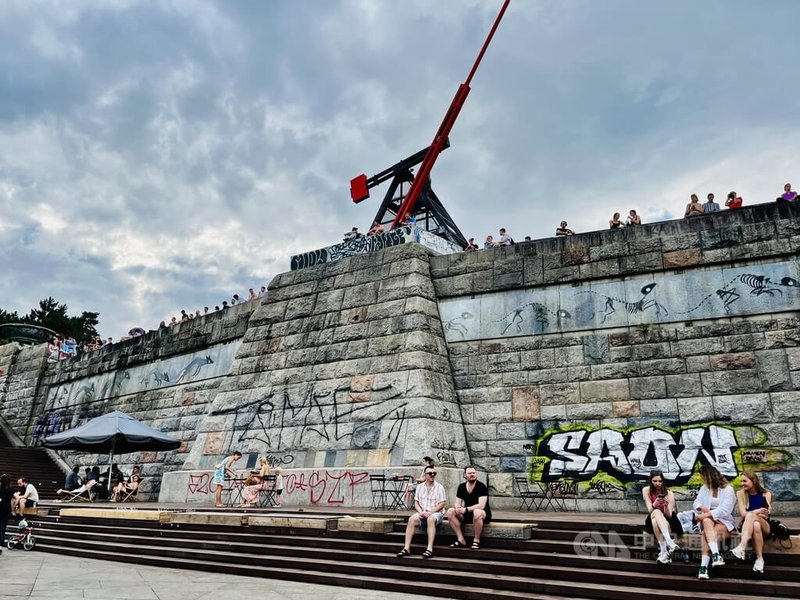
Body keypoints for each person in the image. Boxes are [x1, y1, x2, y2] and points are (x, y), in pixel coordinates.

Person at [693, 464, 736, 580]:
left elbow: (725, 510)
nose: (702, 480)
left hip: (724, 522)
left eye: (703, 477)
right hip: (709, 521)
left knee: (705, 534)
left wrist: (706, 514)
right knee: (707, 521)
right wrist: (703, 508)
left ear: (710, 477)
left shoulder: (728, 490)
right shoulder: (705, 488)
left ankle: (703, 568)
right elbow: (696, 502)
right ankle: (716, 555)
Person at [396, 465, 446, 559]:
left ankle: (429, 549)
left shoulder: (439, 487)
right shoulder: (419, 487)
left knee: (430, 519)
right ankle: (406, 548)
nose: (432, 475)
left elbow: (442, 504)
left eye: (434, 473)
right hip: (422, 512)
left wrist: (430, 512)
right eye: (430, 473)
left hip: (436, 513)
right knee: (411, 519)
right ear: (425, 475)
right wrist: (421, 512)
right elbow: (416, 503)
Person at [731, 471, 772, 573]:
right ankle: (759, 559)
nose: (742, 484)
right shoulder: (740, 493)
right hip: (749, 526)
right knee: (755, 524)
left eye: (745, 481)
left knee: (752, 517)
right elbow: (743, 514)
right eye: (741, 481)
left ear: (753, 481)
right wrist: (757, 511)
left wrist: (753, 513)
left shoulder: (766, 494)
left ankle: (742, 546)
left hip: (765, 526)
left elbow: (766, 514)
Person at [446, 465, 492, 549]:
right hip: (467, 514)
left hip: (482, 514)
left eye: (474, 473)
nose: (472, 475)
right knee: (450, 511)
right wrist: (458, 508)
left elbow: (481, 506)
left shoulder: (481, 486)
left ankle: (476, 540)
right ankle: (461, 539)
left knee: (477, 512)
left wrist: (466, 509)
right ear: (465, 475)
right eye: (470, 473)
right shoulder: (461, 487)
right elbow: (457, 503)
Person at [642, 470, 681, 564]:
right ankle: (670, 542)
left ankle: (664, 551)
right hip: (651, 517)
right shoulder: (646, 490)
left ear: (663, 481)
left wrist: (666, 506)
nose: (657, 483)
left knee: (655, 521)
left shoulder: (669, 494)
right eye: (654, 481)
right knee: (656, 512)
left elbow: (669, 515)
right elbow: (650, 510)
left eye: (660, 481)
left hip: (667, 521)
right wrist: (654, 504)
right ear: (650, 481)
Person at [0, 474, 14, 554]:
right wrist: (13, 510)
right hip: (6, 510)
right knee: (2, 529)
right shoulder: (11, 489)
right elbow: (12, 501)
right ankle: (0, 546)